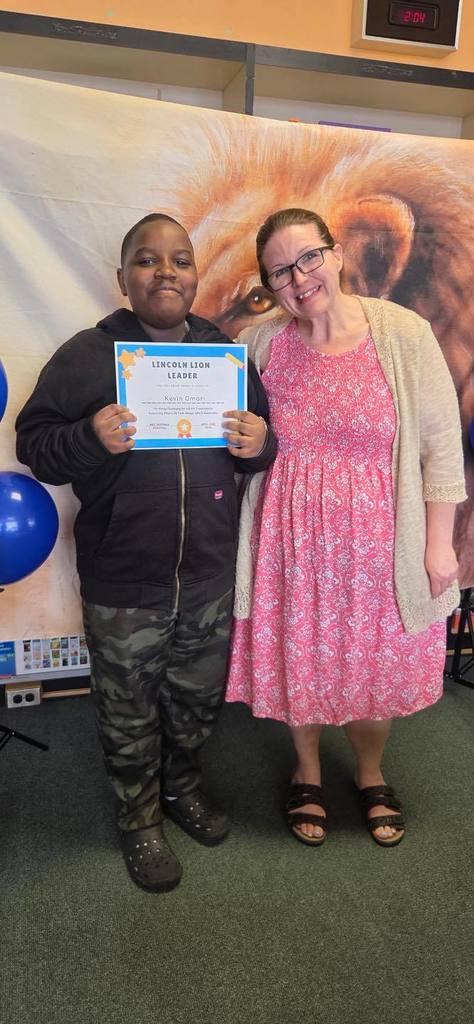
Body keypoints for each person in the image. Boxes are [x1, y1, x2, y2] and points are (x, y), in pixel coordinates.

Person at [16, 213, 277, 891]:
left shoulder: (225, 354)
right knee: (128, 710)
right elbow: (34, 445)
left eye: (180, 260)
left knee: (195, 704)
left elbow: (262, 442)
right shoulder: (85, 355)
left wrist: (260, 443)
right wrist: (90, 438)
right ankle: (139, 818)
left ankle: (180, 785)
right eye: (147, 260)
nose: (166, 272)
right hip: (124, 579)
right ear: (124, 276)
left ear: (196, 274)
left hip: (209, 576)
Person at [226, 207, 466, 848]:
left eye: (308, 258)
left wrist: (439, 542)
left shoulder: (402, 334)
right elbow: (229, 429)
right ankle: (306, 771)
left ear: (335, 255)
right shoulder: (259, 344)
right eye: (280, 271)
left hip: (381, 541)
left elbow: (441, 446)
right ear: (270, 286)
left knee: (374, 670)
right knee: (300, 661)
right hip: (289, 542)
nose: (299, 278)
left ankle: (368, 773)